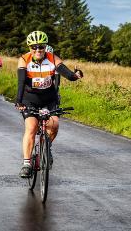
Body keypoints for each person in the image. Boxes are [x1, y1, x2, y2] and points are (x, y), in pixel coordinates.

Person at [15, 31, 83, 178]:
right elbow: (21, 82)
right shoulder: (24, 60)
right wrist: (19, 100)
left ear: (45, 47)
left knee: (54, 125)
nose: (38, 50)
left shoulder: (52, 58)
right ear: (29, 47)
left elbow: (65, 72)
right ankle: (27, 164)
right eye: (34, 47)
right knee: (31, 127)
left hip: (49, 99)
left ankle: (47, 147)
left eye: (41, 47)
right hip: (30, 99)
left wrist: (75, 75)